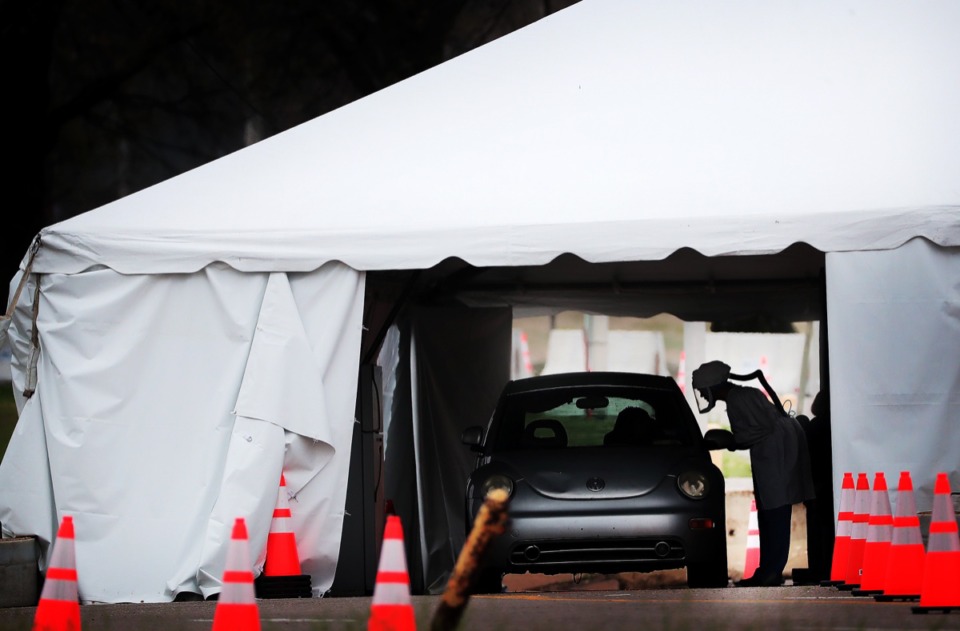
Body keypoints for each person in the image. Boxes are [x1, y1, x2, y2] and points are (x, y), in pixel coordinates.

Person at [692, 360, 815, 587]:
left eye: (701, 389)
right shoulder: (738, 397)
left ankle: (772, 571)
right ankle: (768, 569)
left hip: (776, 454)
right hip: (771, 453)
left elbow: (760, 428)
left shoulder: (740, 397)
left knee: (776, 510)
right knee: (769, 510)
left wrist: (731, 441)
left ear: (712, 386)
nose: (700, 393)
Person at [795, 391, 834, 583]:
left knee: (816, 530)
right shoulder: (835, 426)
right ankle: (828, 567)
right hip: (829, 485)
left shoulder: (813, 427)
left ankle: (818, 568)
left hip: (814, 485)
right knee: (828, 528)